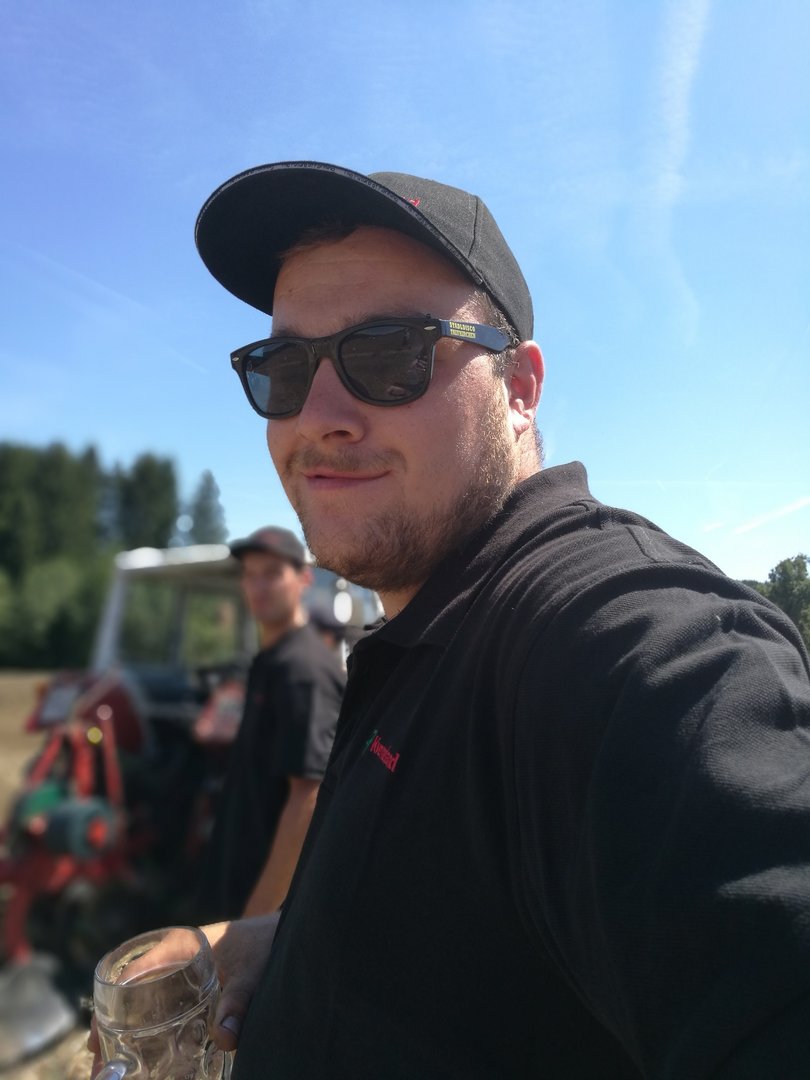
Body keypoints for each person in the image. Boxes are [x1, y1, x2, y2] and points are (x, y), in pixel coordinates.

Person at [91, 163, 810, 1079]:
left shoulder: (616, 644)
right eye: (283, 369)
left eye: (389, 354)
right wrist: (285, 939)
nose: (318, 418)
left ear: (520, 389)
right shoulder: (424, 631)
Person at [193, 525, 345, 921]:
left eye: (272, 573)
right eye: (250, 575)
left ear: (303, 580)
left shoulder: (303, 670)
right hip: (238, 876)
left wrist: (252, 921)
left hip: (259, 906)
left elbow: (308, 797)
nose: (258, 586)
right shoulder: (269, 662)